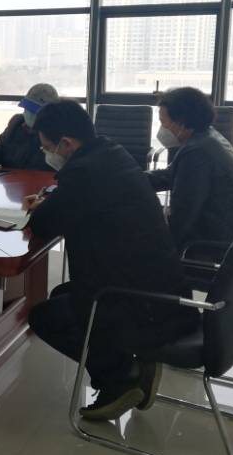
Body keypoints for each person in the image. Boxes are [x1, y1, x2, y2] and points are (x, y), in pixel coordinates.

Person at [24, 101, 197, 421]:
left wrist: (42, 208)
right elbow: (78, 203)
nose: (46, 153)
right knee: (62, 294)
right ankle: (131, 364)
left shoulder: (84, 172)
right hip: (162, 291)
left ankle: (121, 377)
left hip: (140, 303)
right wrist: (52, 202)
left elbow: (45, 224)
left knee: (43, 316)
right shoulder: (110, 153)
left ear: (66, 143)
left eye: (47, 147)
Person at [147, 87, 233, 252]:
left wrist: (162, 250)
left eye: (163, 122)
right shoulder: (207, 137)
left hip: (214, 243)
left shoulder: (197, 151)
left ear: (181, 121)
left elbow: (182, 216)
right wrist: (128, 178)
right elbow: (170, 175)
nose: (162, 129)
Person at [0, 83, 57, 170]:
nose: (30, 113)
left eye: (35, 111)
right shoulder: (17, 122)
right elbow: (0, 146)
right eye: (27, 108)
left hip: (41, 178)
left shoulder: (55, 134)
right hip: (10, 177)